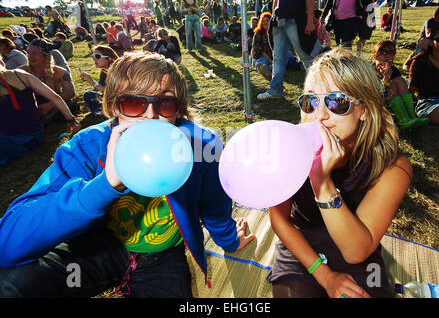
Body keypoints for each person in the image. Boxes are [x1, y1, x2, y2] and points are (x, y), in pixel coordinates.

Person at [0, 51, 254, 297]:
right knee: (14, 286)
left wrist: (230, 241)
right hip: (94, 252)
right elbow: (8, 245)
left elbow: (214, 204)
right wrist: (105, 185)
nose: (151, 115)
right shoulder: (88, 146)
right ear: (114, 107)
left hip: (161, 258)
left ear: (179, 110)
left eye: (165, 102)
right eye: (134, 102)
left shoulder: (202, 145)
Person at [267, 47, 412, 298]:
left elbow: (356, 251)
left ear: (364, 109)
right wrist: (323, 274)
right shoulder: (290, 147)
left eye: (337, 102)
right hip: (302, 249)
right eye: (310, 101)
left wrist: (322, 186)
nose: (319, 116)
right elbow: (280, 219)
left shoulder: (392, 166)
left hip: (357, 249)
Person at [0, 61, 79, 166]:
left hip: (11, 139)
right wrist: (71, 120)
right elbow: (55, 97)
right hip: (35, 135)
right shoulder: (20, 74)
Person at [257, 0, 321, 100]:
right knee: (278, 59)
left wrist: (309, 21)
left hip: (296, 19)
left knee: (306, 57)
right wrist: (274, 16)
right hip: (279, 20)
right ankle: (275, 90)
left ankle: (316, 92)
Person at [373, 41, 428, 130]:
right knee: (393, 85)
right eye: (384, 52)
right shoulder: (370, 70)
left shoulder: (393, 70)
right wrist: (386, 78)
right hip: (376, 102)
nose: (388, 55)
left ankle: (411, 116)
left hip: (391, 101)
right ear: (375, 56)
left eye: (391, 52)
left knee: (399, 80)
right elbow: (375, 94)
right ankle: (403, 119)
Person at [24, 39, 77, 123]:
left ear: (45, 55)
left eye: (35, 53)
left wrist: (49, 105)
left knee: (71, 105)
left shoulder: (60, 72)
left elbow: (70, 92)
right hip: (31, 103)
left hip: (53, 101)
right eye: (28, 53)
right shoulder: (22, 71)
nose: (30, 56)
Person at [409, 24, 439, 127]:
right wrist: (410, 113)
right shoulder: (420, 61)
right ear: (431, 41)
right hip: (430, 103)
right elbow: (411, 90)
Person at [80, 45, 118, 116]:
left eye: (97, 56)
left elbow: (110, 91)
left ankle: (104, 111)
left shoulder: (116, 71)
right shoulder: (104, 71)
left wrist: (91, 81)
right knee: (88, 94)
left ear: (109, 58)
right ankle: (104, 111)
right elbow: (103, 91)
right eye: (93, 56)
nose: (94, 59)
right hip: (109, 99)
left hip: (118, 99)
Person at [251, 12, 273, 80]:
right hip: (260, 56)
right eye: (263, 21)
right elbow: (260, 50)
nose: (265, 22)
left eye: (267, 21)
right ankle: (265, 71)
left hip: (273, 56)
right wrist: (270, 60)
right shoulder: (258, 33)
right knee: (262, 62)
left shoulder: (273, 32)